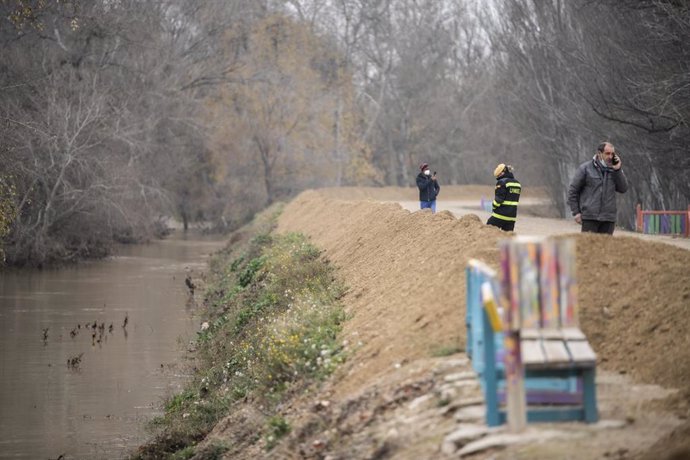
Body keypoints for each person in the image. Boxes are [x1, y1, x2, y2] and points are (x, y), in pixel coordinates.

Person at [567, 141, 628, 235]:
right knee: (588, 248)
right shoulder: (585, 168)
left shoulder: (616, 170)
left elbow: (623, 189)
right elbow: (573, 191)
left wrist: (618, 170)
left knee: (605, 249)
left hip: (608, 218)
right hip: (590, 217)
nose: (610, 157)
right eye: (607, 153)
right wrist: (576, 212)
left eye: (612, 154)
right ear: (599, 153)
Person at [486, 164, 521, 231]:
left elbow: (498, 200)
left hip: (500, 215)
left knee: (487, 231)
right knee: (507, 238)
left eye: (499, 175)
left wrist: (493, 206)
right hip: (512, 217)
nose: (498, 177)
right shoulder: (518, 184)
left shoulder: (502, 182)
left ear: (503, 172)